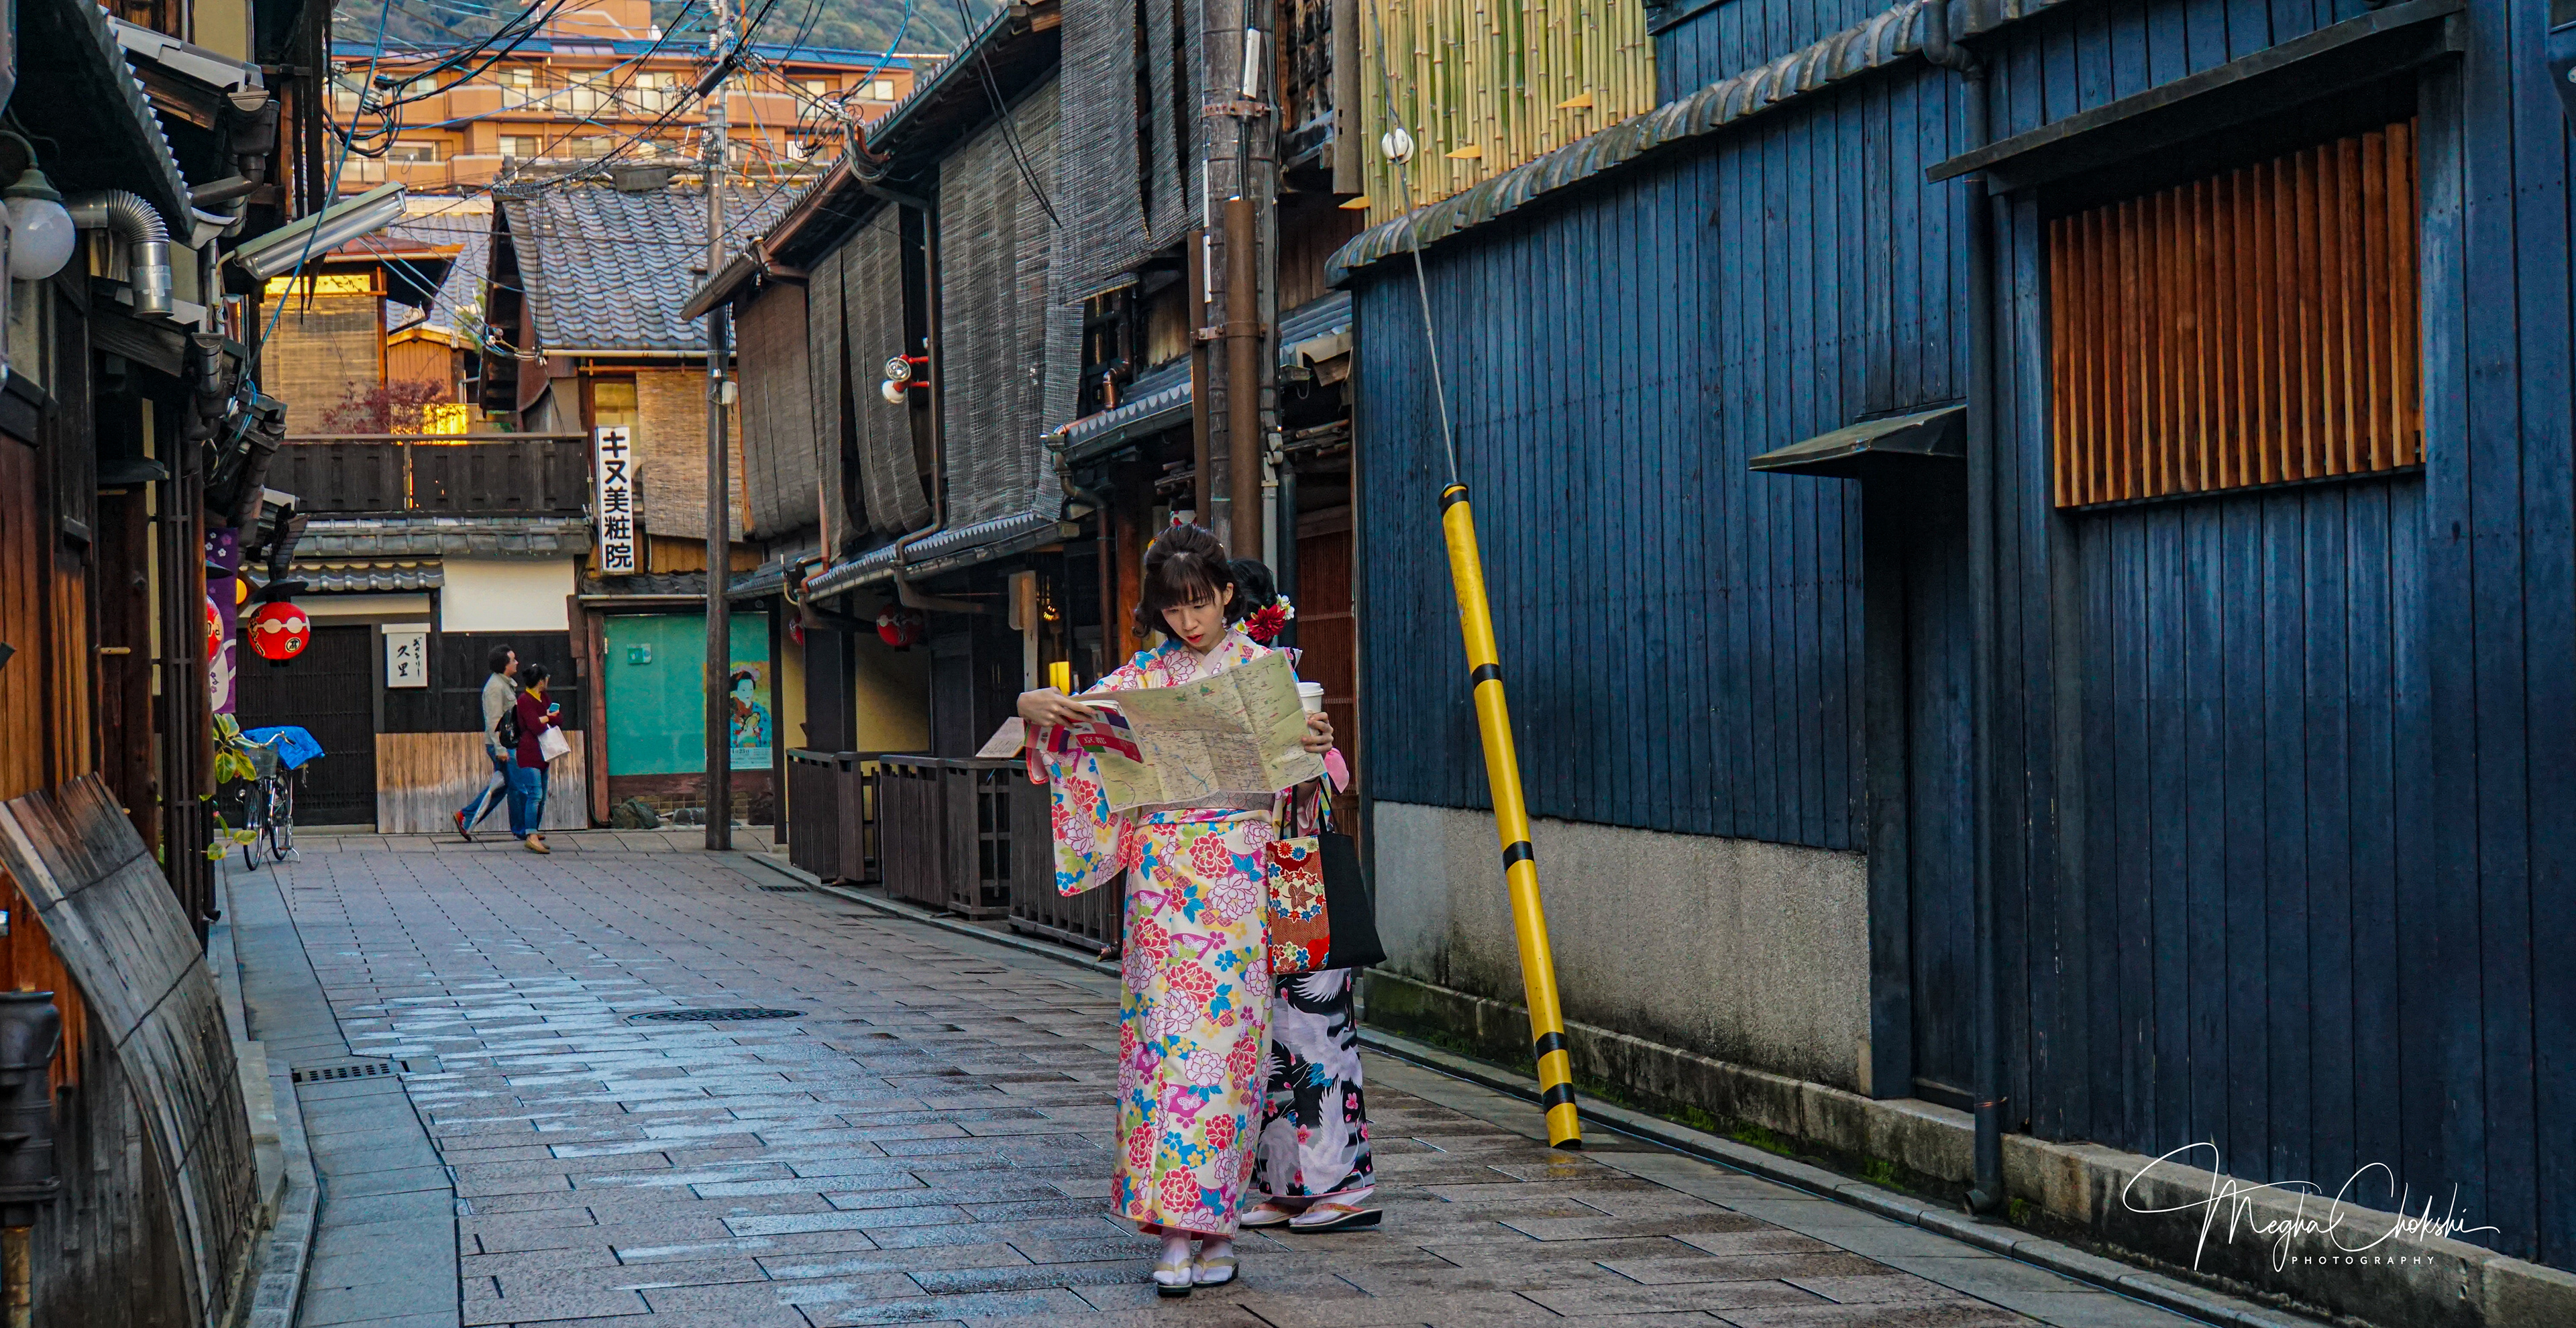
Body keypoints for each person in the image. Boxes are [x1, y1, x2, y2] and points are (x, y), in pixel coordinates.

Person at [1018, 524, 1334, 1297]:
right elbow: (1078, 743)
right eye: (1173, 610)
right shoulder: (1142, 675)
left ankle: (1210, 1227)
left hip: (1236, 875)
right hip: (1163, 882)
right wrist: (1039, 708)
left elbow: (1307, 786)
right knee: (1162, 1055)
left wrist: (1314, 747)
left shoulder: (1266, 672)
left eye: (1199, 604)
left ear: (1227, 593)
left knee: (1226, 1058)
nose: (1188, 623)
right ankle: (1175, 1230)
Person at [1224, 559, 1379, 1233]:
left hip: (1298, 872)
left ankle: (1342, 1185)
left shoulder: (1286, 683)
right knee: (1273, 1038)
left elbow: (1332, 779)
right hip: (1251, 877)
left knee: (1316, 1029)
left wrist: (1312, 743)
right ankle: (1286, 1185)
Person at [454, 645, 518, 841]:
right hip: (500, 745)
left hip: (506, 744)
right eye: (513, 660)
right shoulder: (495, 688)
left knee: (504, 784)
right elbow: (494, 721)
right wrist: (500, 748)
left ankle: (467, 815)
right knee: (513, 785)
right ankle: (522, 829)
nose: (516, 663)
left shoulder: (504, 683)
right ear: (504, 665)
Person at [511, 663, 562, 854]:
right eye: (546, 678)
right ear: (541, 681)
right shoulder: (524, 700)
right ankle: (531, 835)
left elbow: (559, 719)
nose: (547, 681)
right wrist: (547, 717)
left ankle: (534, 831)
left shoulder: (544, 697)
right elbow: (534, 726)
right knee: (535, 795)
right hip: (528, 752)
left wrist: (546, 718)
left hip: (544, 754)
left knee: (541, 798)